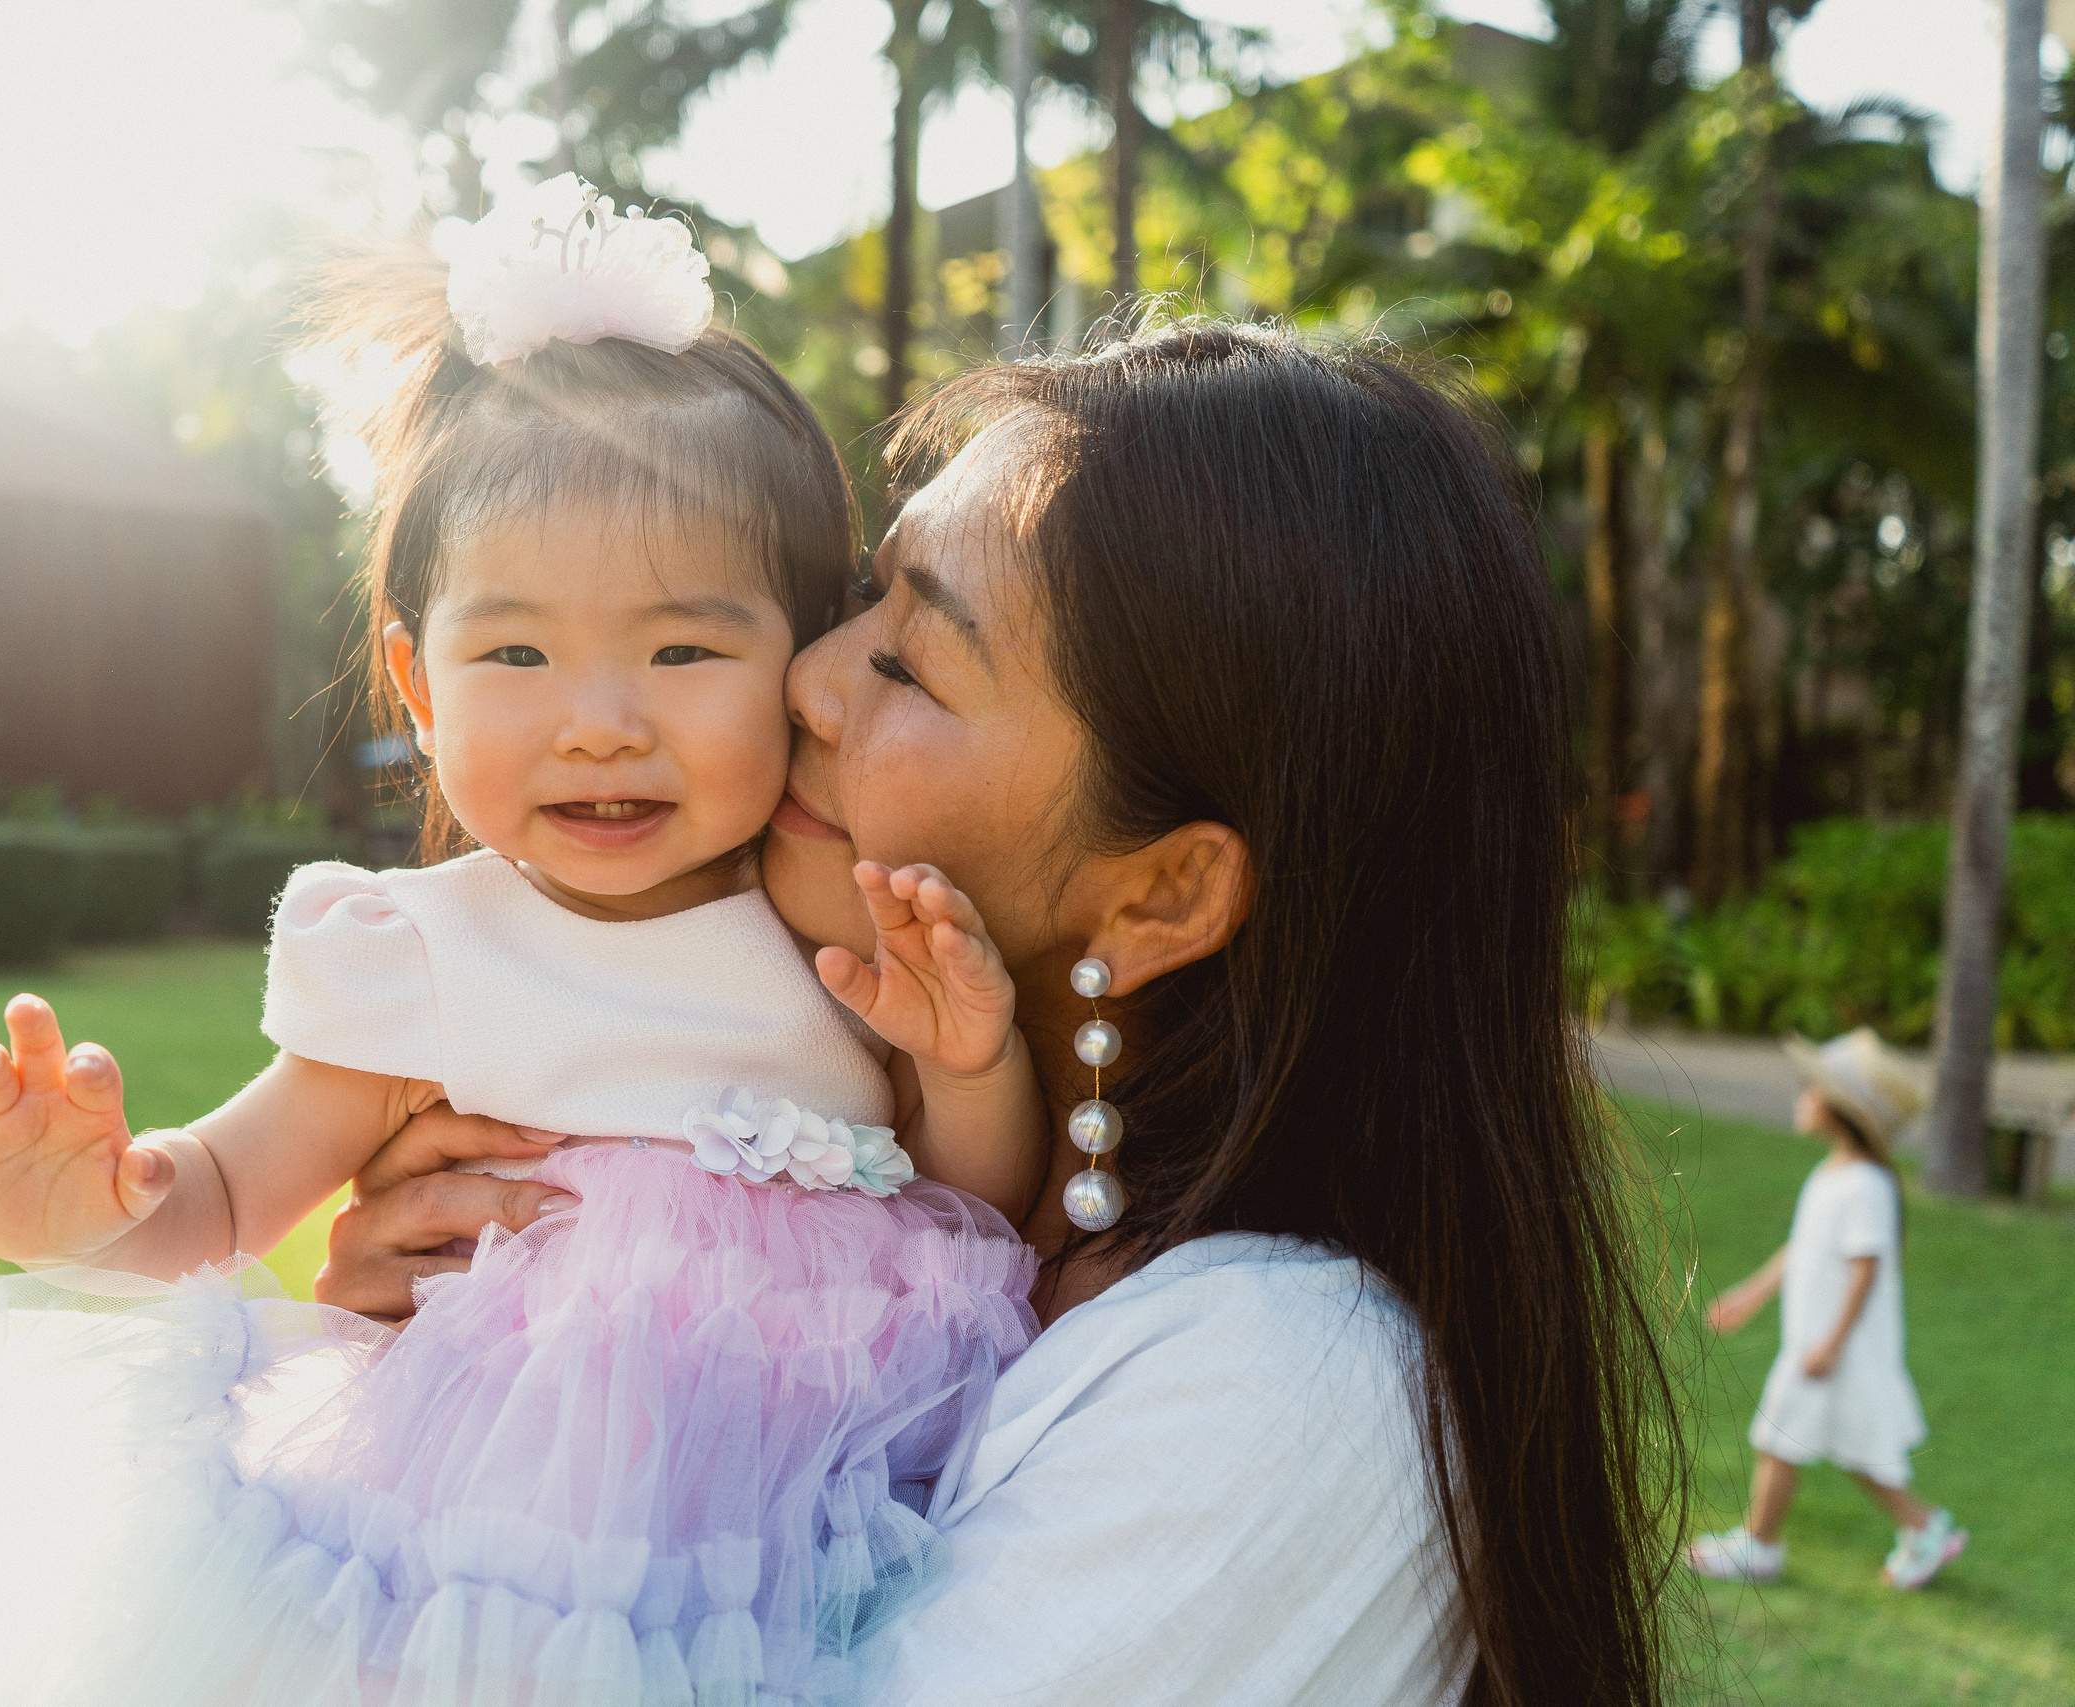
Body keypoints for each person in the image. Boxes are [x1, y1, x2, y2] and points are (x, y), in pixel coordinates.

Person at [0, 176, 1045, 1707]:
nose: (599, 719)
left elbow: (968, 1212)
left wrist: (971, 1062)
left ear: (803, 653)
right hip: (464, 1549)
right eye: (514, 649)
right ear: (419, 685)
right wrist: (96, 1202)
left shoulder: (833, 927)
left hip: (785, 1552)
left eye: (686, 647)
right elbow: (242, 1182)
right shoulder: (422, 952)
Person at [318, 321, 1685, 1703]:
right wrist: (453, 1377)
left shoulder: (1285, 1385)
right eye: (863, 593)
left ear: (1159, 894)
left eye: (911, 664)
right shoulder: (817, 1201)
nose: (805, 672)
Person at [1690, 1027, 1966, 1591]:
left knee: (1778, 1439)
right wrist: (1751, 1295)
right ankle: (1924, 1527)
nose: (1801, 1098)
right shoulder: (1834, 1174)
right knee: (1852, 1450)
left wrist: (1830, 1345)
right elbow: (1805, 1249)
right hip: (1818, 1345)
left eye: (1809, 1090)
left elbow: (1866, 1270)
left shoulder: (1864, 1184)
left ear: (1840, 1111)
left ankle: (1759, 1548)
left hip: (1828, 1349)